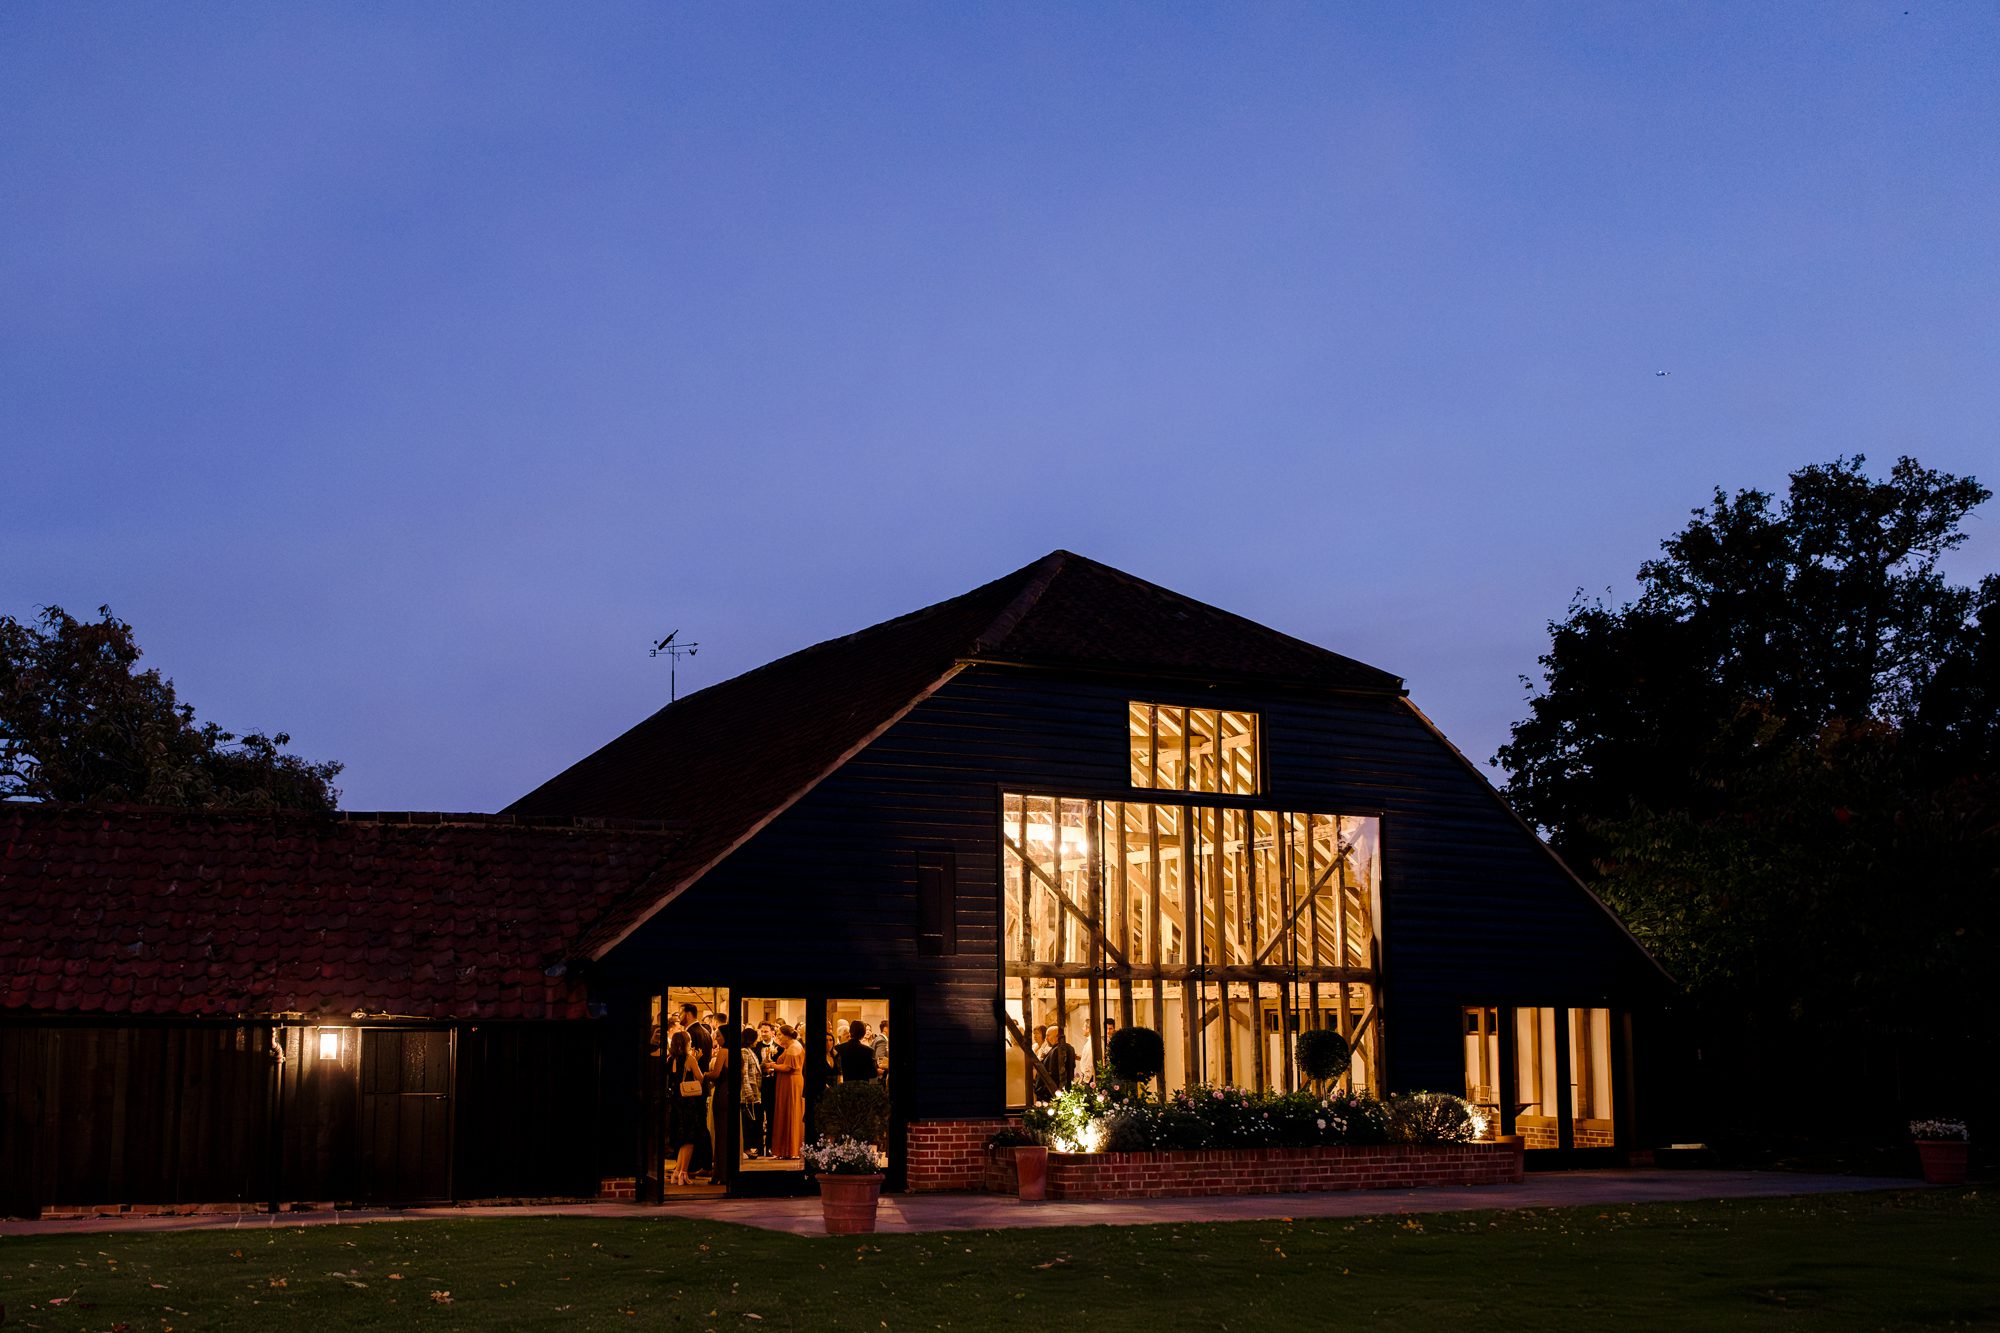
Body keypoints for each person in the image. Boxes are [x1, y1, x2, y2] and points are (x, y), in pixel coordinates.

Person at [665, 1026, 711, 1186]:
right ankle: (683, 1173)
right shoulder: (689, 1059)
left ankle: (677, 1172)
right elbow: (700, 1078)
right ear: (686, 1043)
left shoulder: (670, 1059)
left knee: (681, 1140)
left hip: (676, 1102)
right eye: (689, 1041)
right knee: (689, 1140)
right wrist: (698, 1062)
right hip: (689, 1104)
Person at [768, 1024, 806, 1159]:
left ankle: (792, 1148)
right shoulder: (789, 1046)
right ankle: (785, 1149)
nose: (778, 1037)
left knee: (791, 1111)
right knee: (785, 1111)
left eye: (780, 1034)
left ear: (787, 1035)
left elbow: (788, 1067)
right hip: (786, 1082)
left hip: (791, 1082)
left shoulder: (794, 1047)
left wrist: (772, 1066)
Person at [753, 1022, 780, 1156]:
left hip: (773, 1085)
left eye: (766, 1031)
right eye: (762, 1031)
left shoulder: (779, 1048)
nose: (763, 1034)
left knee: (771, 1116)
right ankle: (758, 1147)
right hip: (760, 1085)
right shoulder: (756, 1047)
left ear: (772, 1032)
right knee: (758, 1116)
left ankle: (770, 1147)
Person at [738, 1026, 763, 1156]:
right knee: (747, 1121)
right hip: (748, 1092)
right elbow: (744, 1074)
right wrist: (748, 1092)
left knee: (751, 1121)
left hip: (754, 1089)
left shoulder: (749, 1051)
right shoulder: (744, 1051)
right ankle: (747, 1146)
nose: (757, 1041)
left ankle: (749, 1146)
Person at [1042, 1025, 1079, 1091]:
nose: (1046, 1039)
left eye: (1048, 1035)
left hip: (1056, 1090)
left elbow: (1053, 1073)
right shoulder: (1070, 1048)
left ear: (1057, 1036)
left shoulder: (1056, 1050)